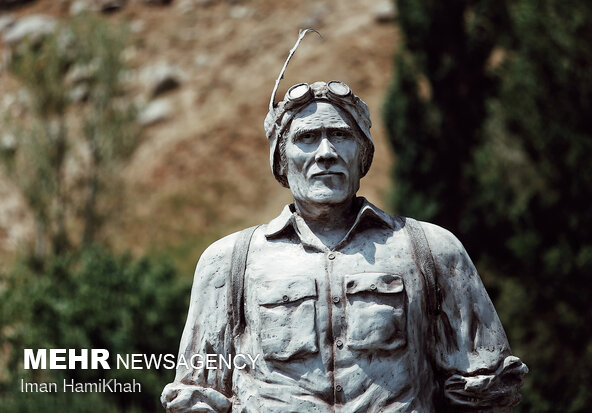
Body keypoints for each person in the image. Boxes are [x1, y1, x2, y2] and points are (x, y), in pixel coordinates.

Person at [161, 33, 527, 413]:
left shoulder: (434, 252)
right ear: (281, 160)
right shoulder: (228, 263)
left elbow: (487, 386)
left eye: (340, 136)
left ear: (362, 154)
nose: (326, 154)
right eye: (307, 138)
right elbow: (198, 395)